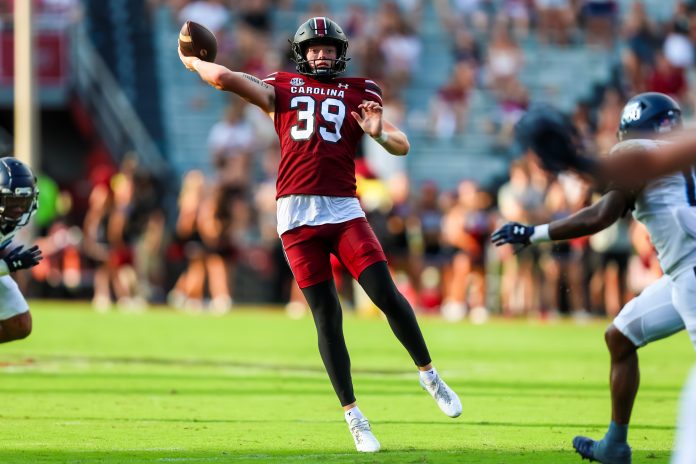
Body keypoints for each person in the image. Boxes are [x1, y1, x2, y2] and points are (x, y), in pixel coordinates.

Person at [178, 16, 461, 453]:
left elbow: (402, 143)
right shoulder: (282, 86)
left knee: (385, 293)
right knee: (327, 315)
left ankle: (429, 375)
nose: (322, 54)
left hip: (344, 209)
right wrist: (194, 63)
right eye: (314, 48)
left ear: (341, 52)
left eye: (329, 48)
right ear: (301, 53)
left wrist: (379, 134)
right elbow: (228, 79)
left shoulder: (361, 92)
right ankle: (354, 416)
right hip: (295, 217)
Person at [492, 92, 694, 464]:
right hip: (683, 274)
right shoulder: (685, 148)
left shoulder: (637, 148)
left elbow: (602, 214)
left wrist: (532, 233)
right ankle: (615, 445)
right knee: (621, 335)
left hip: (691, 276)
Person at [0, 157, 43, 343]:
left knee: (20, 324)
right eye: (12, 202)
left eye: (23, 201)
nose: (18, 210)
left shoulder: (12, 218)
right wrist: (9, 264)